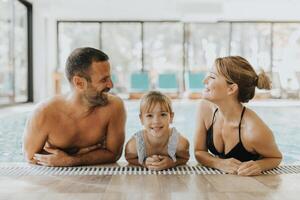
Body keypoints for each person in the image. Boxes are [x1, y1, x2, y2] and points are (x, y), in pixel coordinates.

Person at [23, 47, 126, 167]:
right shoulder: (44, 113)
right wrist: (90, 155)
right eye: (104, 80)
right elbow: (30, 156)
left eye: (109, 77)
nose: (111, 85)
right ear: (79, 83)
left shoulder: (114, 107)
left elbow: (114, 154)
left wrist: (71, 159)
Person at [194, 56, 282, 176]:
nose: (205, 80)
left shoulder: (254, 130)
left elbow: (276, 157)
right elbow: (199, 152)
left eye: (212, 77)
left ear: (231, 89)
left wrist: (259, 165)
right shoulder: (205, 108)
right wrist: (218, 163)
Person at [125, 91, 189, 170]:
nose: (156, 121)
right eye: (149, 115)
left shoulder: (179, 143)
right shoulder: (134, 145)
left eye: (163, 114)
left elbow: (185, 158)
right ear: (141, 119)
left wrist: (172, 163)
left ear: (171, 117)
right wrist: (143, 163)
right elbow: (129, 158)